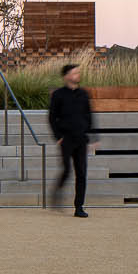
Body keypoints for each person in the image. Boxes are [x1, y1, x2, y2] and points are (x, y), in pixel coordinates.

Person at [46, 62, 97, 217]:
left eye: (78, 73)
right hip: (66, 139)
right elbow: (51, 118)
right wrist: (58, 137)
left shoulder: (83, 94)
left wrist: (93, 137)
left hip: (81, 139)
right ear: (67, 76)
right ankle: (56, 193)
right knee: (67, 170)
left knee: (81, 173)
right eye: (74, 73)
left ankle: (79, 207)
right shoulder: (58, 95)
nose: (77, 75)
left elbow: (89, 115)